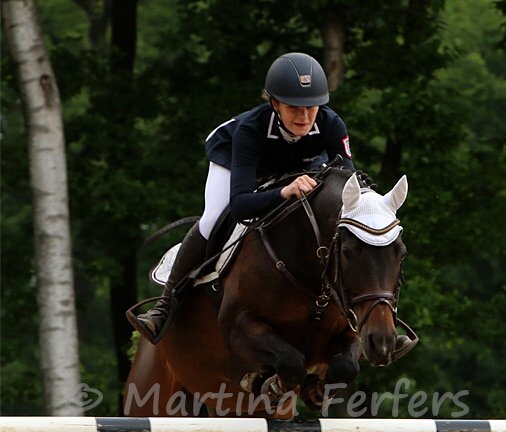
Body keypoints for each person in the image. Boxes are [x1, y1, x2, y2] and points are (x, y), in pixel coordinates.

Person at [131, 52, 354, 343]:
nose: (303, 117)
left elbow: (349, 187)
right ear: (274, 103)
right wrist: (284, 192)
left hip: (293, 164)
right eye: (293, 108)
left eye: (311, 108)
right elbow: (240, 206)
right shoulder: (250, 130)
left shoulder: (332, 124)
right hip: (236, 160)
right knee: (213, 220)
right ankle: (164, 307)